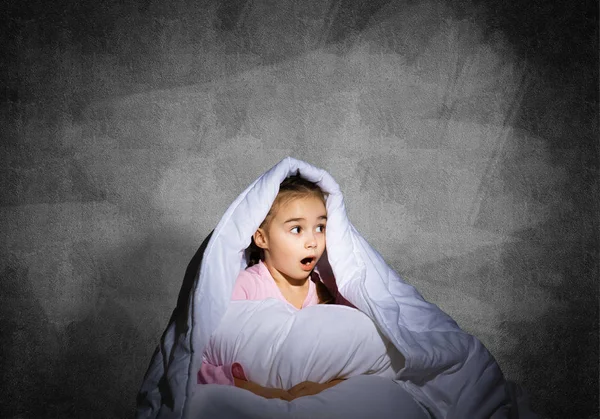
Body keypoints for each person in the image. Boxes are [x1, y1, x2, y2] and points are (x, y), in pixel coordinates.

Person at [197, 173, 348, 401]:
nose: (313, 242)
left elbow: (352, 357)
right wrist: (259, 392)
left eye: (320, 227)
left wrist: (327, 388)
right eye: (297, 229)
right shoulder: (245, 288)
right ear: (262, 239)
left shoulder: (326, 290)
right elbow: (200, 360)